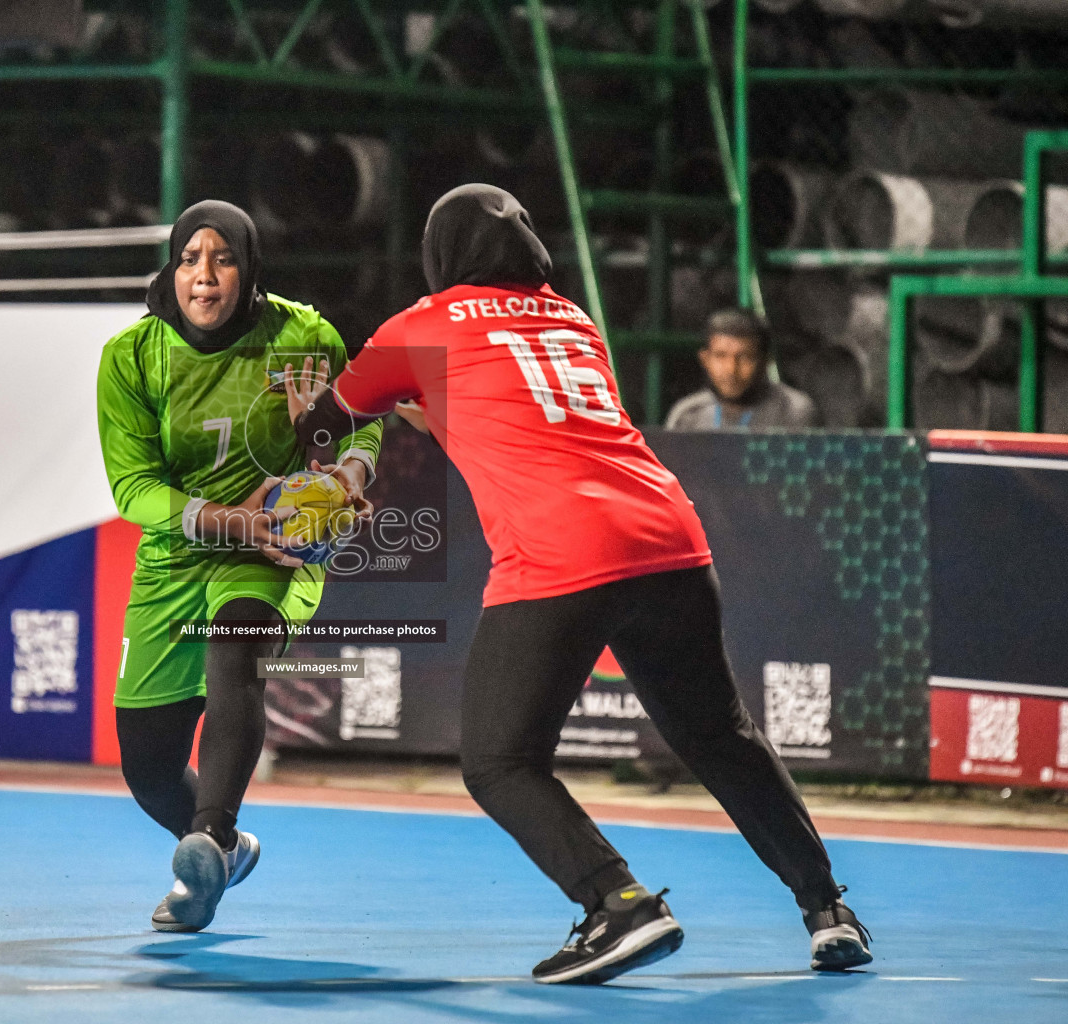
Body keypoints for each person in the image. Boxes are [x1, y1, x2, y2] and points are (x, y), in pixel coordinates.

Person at [284, 184, 870, 984]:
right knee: (718, 736)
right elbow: (494, 404)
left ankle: (618, 903)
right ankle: (827, 909)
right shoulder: (570, 318)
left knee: (500, 761)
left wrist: (304, 401)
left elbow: (322, 428)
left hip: (561, 551)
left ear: (440, 256)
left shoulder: (418, 327)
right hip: (669, 536)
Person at [96, 201, 381, 933]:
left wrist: (345, 472)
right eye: (190, 258)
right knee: (149, 769)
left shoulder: (303, 335)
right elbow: (134, 489)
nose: (204, 275)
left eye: (222, 258)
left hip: (270, 550)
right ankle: (226, 852)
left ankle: (213, 837)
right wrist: (227, 520)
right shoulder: (132, 357)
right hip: (177, 558)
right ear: (172, 267)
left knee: (237, 648)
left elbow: (365, 420)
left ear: (248, 267)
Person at [665, 308, 820, 430]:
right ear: (705, 359)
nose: (731, 369)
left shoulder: (792, 411)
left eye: (745, 357)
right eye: (720, 356)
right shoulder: (687, 416)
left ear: (765, 361)